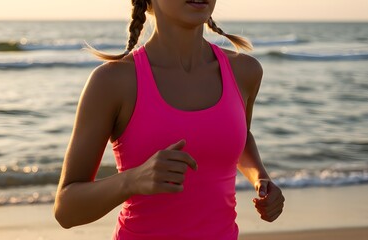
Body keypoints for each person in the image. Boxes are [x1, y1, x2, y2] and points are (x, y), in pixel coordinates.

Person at [54, 0, 285, 239]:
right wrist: (132, 180)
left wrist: (261, 178)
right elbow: (66, 210)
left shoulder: (245, 71)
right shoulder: (113, 81)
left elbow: (238, 137)